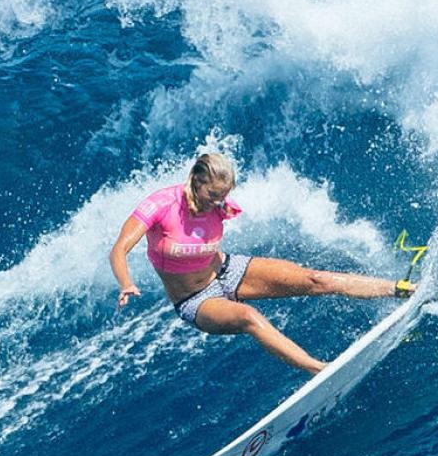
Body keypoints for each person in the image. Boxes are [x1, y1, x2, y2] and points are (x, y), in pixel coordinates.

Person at [109, 152, 414, 374]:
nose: (217, 203)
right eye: (212, 194)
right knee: (248, 317)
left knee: (316, 279)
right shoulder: (162, 205)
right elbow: (119, 249)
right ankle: (319, 369)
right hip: (195, 300)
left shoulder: (220, 204)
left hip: (228, 269)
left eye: (224, 196)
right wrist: (126, 282)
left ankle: (402, 289)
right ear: (196, 180)